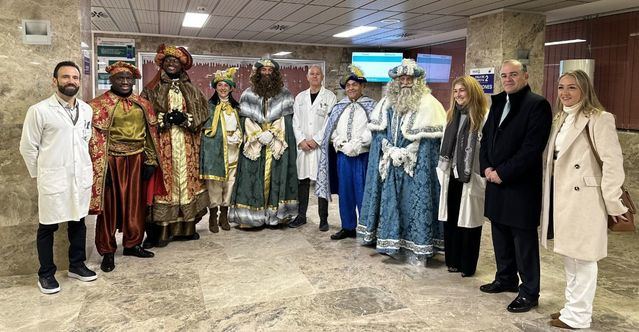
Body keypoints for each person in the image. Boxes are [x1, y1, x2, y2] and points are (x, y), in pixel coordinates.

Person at [540, 70, 627, 329]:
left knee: (584, 259)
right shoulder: (561, 118)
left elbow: (613, 163)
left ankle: (579, 316)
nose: (565, 93)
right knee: (571, 256)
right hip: (564, 196)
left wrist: (613, 202)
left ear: (585, 90)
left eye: (572, 88)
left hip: (586, 198)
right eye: (561, 87)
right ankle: (572, 307)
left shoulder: (600, 118)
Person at [478, 59, 552, 313]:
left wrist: (503, 173)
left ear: (525, 76)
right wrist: (487, 168)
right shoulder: (498, 103)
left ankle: (529, 292)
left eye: (513, 74)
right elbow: (486, 138)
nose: (508, 79)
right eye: (504, 75)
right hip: (495, 182)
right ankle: (505, 278)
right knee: (500, 235)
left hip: (520, 186)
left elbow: (532, 149)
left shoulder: (537, 105)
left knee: (523, 242)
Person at [19, 61, 97, 294]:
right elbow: (28, 147)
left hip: (79, 177)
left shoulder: (86, 109)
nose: (71, 81)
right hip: (53, 178)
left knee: (78, 222)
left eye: (75, 77)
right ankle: (46, 273)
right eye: (65, 77)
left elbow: (85, 140)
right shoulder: (39, 110)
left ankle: (77, 265)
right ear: (55, 81)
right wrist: (42, 173)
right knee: (48, 227)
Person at [357, 59, 446, 261]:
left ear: (417, 81)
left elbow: (429, 143)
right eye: (401, 78)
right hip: (389, 164)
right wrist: (389, 149)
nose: (405, 82)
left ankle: (417, 243)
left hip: (413, 166)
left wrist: (408, 152)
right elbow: (378, 133)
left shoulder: (430, 105)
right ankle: (388, 240)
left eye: (409, 78)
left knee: (414, 203)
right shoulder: (386, 103)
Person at [88, 61, 159, 272]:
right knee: (109, 207)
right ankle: (107, 251)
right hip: (111, 160)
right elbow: (94, 138)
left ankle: (133, 244)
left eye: (129, 78)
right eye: (121, 78)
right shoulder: (97, 105)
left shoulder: (143, 104)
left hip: (137, 159)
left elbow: (150, 134)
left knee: (135, 205)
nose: (125, 82)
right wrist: (100, 169)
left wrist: (151, 160)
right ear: (111, 80)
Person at [142, 44, 210, 247]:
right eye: (168, 61)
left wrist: (186, 119)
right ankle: (163, 231)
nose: (172, 64)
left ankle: (186, 229)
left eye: (175, 62)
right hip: (164, 145)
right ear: (162, 64)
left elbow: (203, 112)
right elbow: (144, 114)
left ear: (182, 66)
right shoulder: (151, 89)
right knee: (166, 185)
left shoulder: (191, 89)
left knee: (186, 185)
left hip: (187, 144)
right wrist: (163, 119)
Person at [229, 58, 298, 228]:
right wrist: (258, 134)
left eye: (270, 70)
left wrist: (272, 132)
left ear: (275, 73)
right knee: (252, 176)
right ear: (257, 72)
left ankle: (276, 216)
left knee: (278, 176)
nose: (267, 73)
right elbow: (244, 118)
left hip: (276, 142)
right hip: (255, 142)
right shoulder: (248, 94)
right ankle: (253, 217)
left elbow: (287, 119)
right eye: (263, 70)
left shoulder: (285, 94)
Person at [316, 65, 377, 240]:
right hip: (343, 157)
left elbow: (374, 129)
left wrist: (358, 144)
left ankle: (367, 230)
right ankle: (348, 226)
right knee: (346, 193)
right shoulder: (339, 106)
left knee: (363, 193)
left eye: (354, 85)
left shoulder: (372, 106)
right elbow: (331, 129)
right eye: (348, 86)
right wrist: (341, 143)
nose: (351, 88)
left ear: (362, 86)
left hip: (362, 156)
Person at [436, 76, 488, 276]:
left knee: (469, 223)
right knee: (452, 219)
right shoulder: (451, 116)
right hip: (451, 175)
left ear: (472, 92)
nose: (458, 95)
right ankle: (453, 260)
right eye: (455, 91)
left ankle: (467, 265)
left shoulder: (483, 117)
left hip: (471, 176)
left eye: (462, 90)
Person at [289, 65, 337, 231]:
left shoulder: (329, 97)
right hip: (303, 147)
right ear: (307, 77)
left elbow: (330, 121)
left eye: (318, 74)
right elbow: (295, 121)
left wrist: (316, 140)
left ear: (322, 76)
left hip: (319, 147)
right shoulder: (300, 97)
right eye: (312, 74)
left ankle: (323, 219)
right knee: (302, 182)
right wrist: (301, 140)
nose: (315, 76)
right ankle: (301, 216)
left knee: (321, 182)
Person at [200, 67, 242, 233]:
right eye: (220, 85)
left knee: (230, 184)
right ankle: (213, 215)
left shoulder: (237, 108)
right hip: (215, 152)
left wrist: (238, 136)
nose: (223, 88)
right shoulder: (208, 107)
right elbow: (205, 130)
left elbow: (242, 126)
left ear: (231, 88)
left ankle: (224, 214)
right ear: (215, 87)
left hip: (233, 151)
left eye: (226, 85)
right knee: (214, 184)